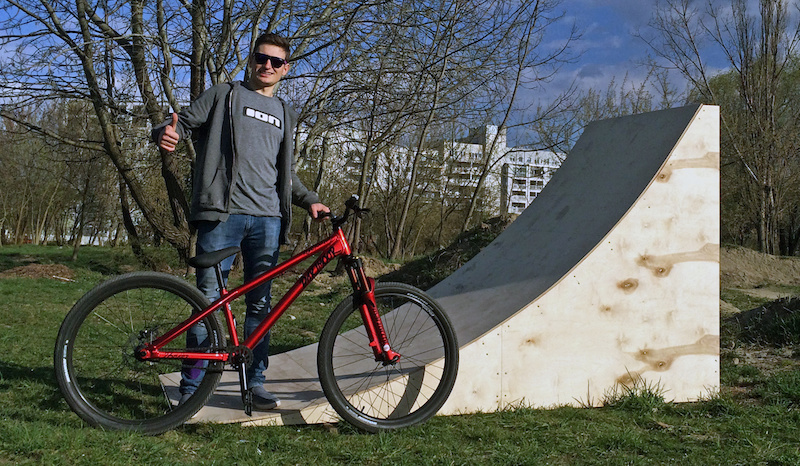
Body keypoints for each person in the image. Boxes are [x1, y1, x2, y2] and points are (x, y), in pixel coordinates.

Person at [153, 32, 329, 410]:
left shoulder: (285, 112)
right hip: (223, 215)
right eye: (261, 58)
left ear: (286, 69)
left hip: (267, 221)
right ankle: (193, 387)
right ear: (252, 60)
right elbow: (180, 124)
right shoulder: (223, 94)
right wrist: (164, 133)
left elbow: (286, 173)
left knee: (260, 306)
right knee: (208, 303)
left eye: (276, 62)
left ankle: (255, 382)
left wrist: (310, 200)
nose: (267, 66)